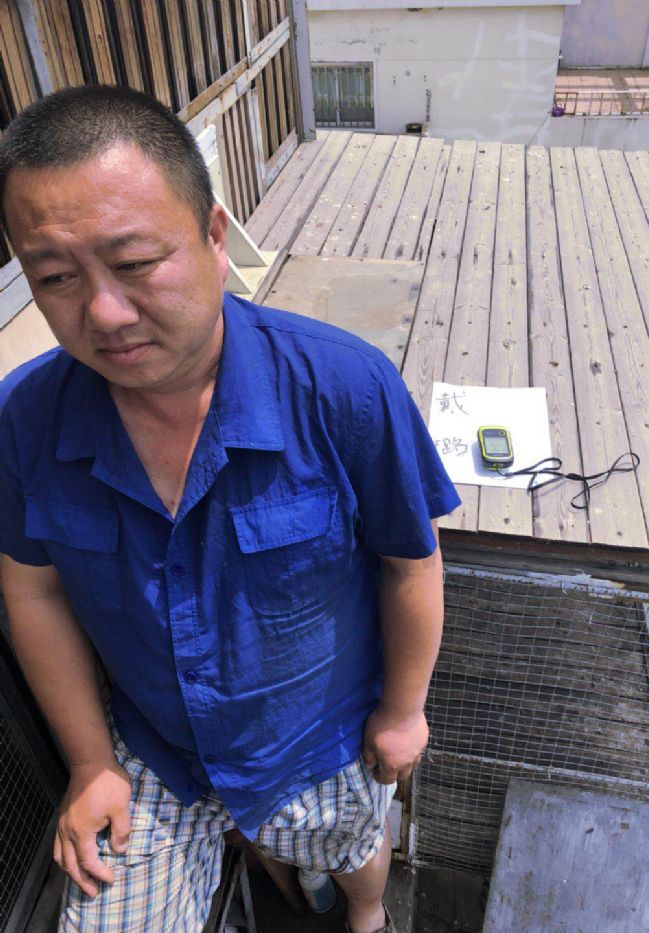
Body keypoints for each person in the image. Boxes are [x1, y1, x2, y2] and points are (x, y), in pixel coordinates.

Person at [0, 85, 460, 933]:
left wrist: (403, 711)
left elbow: (411, 561)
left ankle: (366, 918)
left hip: (315, 741)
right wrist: (90, 761)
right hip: (153, 750)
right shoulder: (24, 417)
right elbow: (34, 588)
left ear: (215, 236)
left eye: (136, 262)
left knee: (354, 850)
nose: (104, 313)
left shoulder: (345, 388)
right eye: (55, 278)